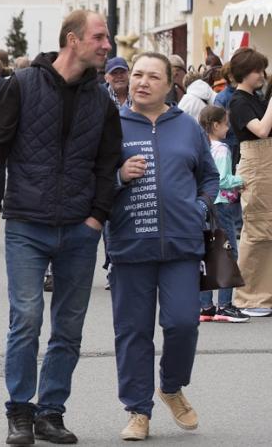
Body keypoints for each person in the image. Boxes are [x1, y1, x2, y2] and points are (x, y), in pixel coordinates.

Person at [0, 10, 122, 445]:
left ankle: (51, 411)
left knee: (69, 327)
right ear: (73, 40)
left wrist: (97, 216)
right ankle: (20, 411)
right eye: (99, 37)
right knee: (27, 318)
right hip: (27, 225)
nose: (106, 45)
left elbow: (107, 160)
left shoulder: (101, 98)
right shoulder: (22, 85)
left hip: (80, 228)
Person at [106, 52, 219, 441]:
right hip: (129, 243)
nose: (142, 82)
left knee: (183, 322)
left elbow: (210, 176)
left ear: (170, 83)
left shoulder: (187, 126)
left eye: (153, 76)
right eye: (137, 74)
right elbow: (89, 179)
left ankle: (171, 387)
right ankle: (138, 411)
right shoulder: (111, 125)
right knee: (133, 331)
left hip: (183, 246)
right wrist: (119, 176)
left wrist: (201, 206)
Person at [226, 47, 272, 317]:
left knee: (267, 230)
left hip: (265, 164)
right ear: (246, 72)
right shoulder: (238, 101)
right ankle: (248, 296)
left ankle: (262, 294)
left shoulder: (254, 98)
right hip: (256, 166)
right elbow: (261, 129)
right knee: (256, 232)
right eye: (258, 70)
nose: (262, 75)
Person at [197, 105, 249, 323]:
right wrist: (242, 180)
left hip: (204, 204)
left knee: (207, 254)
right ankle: (225, 305)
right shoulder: (222, 149)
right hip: (222, 206)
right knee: (228, 254)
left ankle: (205, 306)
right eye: (226, 123)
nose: (228, 128)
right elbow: (223, 180)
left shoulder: (201, 146)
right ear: (216, 125)